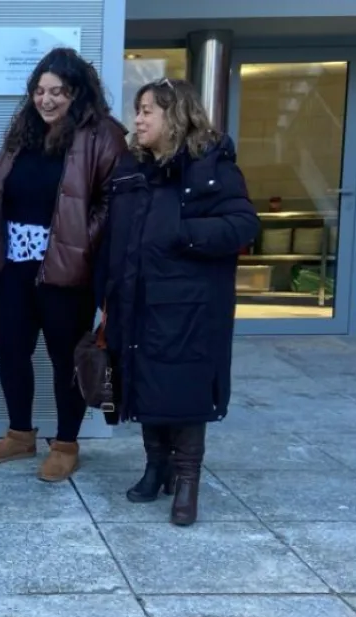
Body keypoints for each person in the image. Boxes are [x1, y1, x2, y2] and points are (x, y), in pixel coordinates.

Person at [99, 78, 259, 526]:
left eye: (148, 110)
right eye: (138, 110)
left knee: (184, 391)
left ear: (176, 115)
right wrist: (106, 290)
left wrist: (184, 234)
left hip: (189, 309)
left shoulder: (212, 166)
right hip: (137, 301)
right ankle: (156, 467)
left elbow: (244, 225)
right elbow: (115, 235)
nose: (138, 119)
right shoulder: (133, 168)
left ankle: (187, 480)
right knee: (144, 385)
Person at [0, 47, 128, 482]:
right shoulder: (22, 131)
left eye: (57, 91)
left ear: (77, 93)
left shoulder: (103, 134)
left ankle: (66, 444)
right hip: (14, 264)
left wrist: (81, 238)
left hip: (67, 269)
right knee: (10, 350)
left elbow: (115, 200)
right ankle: (20, 434)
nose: (46, 100)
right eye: (40, 91)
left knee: (66, 359)